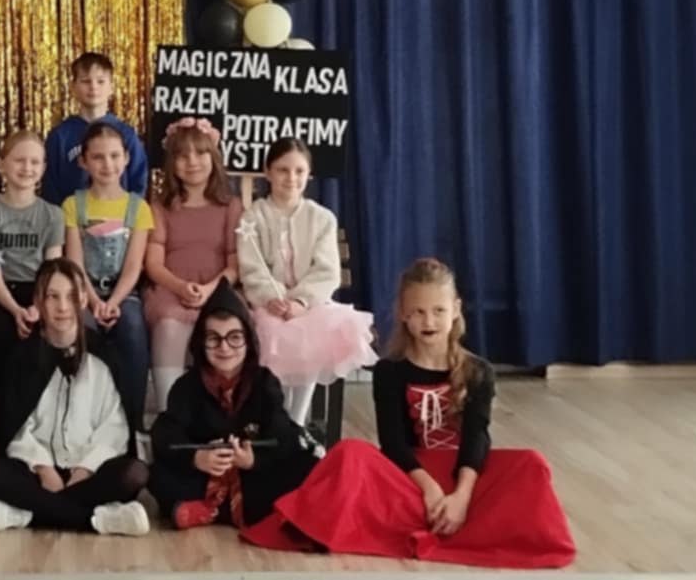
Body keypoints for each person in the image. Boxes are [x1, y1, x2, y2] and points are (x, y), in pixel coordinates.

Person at [239, 259, 576, 569]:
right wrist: (428, 489)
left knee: (531, 464)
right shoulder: (390, 371)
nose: (429, 321)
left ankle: (451, 518)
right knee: (349, 453)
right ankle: (442, 523)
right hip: (409, 479)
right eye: (418, 311)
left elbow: (476, 441)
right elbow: (394, 444)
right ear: (403, 313)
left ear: (456, 310)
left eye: (438, 311)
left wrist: (460, 498)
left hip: (462, 476)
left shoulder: (479, 371)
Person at [0, 260, 153, 536]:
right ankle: (94, 519)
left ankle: (24, 513)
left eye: (71, 296)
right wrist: (44, 468)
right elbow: (16, 429)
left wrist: (85, 469)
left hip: (89, 471)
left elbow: (113, 427)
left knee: (134, 473)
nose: (63, 307)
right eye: (53, 296)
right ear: (38, 302)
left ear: (84, 300)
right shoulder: (22, 358)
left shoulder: (104, 357)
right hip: (34, 473)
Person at [148, 280, 315, 529]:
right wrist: (197, 458)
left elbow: (282, 434)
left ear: (248, 341)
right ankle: (225, 508)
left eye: (234, 338)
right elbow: (165, 434)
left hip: (251, 477)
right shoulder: (187, 385)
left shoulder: (264, 382)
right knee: (156, 473)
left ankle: (211, 510)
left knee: (305, 465)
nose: (224, 348)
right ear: (201, 343)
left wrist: (253, 459)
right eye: (214, 339)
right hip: (203, 476)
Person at [236, 138, 377, 426]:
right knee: (273, 334)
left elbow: (327, 271)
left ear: (309, 174)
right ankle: (276, 418)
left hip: (310, 305)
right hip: (269, 305)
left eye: (299, 171)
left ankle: (297, 422)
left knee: (312, 335)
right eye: (283, 170)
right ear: (268, 172)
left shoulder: (322, 218)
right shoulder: (253, 217)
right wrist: (272, 297)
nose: (291, 178)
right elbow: (252, 267)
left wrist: (300, 301)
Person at [143, 118, 242, 411]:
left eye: (200, 153)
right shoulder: (160, 207)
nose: (192, 162)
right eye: (182, 155)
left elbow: (235, 263)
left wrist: (210, 289)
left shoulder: (231, 206)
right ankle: (169, 413)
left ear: (214, 158)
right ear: (171, 163)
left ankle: (226, 411)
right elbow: (153, 263)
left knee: (229, 327)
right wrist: (180, 287)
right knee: (169, 326)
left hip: (218, 288)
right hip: (171, 288)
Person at [62, 122, 153, 435]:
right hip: (84, 292)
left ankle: (133, 423)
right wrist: (93, 301)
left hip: (123, 294)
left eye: (114, 156)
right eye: (98, 157)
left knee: (133, 328)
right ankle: (80, 423)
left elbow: (134, 266)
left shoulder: (138, 208)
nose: (107, 164)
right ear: (83, 161)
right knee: (79, 331)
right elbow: (74, 262)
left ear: (126, 158)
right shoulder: (73, 205)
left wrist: (113, 301)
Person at [0, 130, 65, 389]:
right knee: (2, 334)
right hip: (3, 292)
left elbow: (52, 269)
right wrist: (16, 310)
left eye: (35, 162)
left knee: (44, 336)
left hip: (39, 290)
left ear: (44, 168)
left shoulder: (52, 214)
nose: (27, 168)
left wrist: (38, 307)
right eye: (19, 160)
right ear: (1, 164)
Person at [40, 52, 149, 204]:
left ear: (111, 87)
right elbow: (50, 186)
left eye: (100, 81)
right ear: (73, 87)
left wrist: (130, 214)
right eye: (85, 81)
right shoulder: (60, 136)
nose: (93, 87)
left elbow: (139, 181)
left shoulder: (126, 134)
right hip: (72, 216)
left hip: (119, 216)